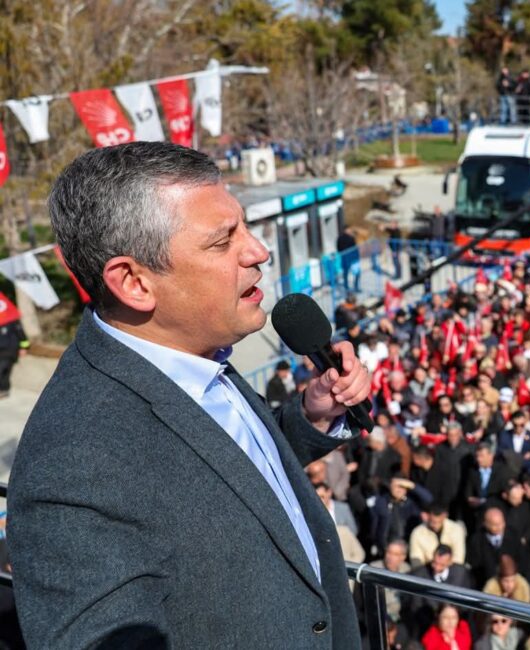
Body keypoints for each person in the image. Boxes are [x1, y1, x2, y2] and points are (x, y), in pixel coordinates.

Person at [9, 142, 372, 647]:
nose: (258, 252)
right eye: (223, 241)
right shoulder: (72, 464)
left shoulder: (194, 352)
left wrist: (307, 422)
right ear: (134, 282)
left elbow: (223, 472)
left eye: (244, 227)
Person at [0, 304, 28, 399]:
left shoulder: (13, 321)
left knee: (2, 368)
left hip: (10, 350)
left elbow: (22, 336)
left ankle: (3, 389)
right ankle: (4, 389)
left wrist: (24, 348)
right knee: (5, 372)